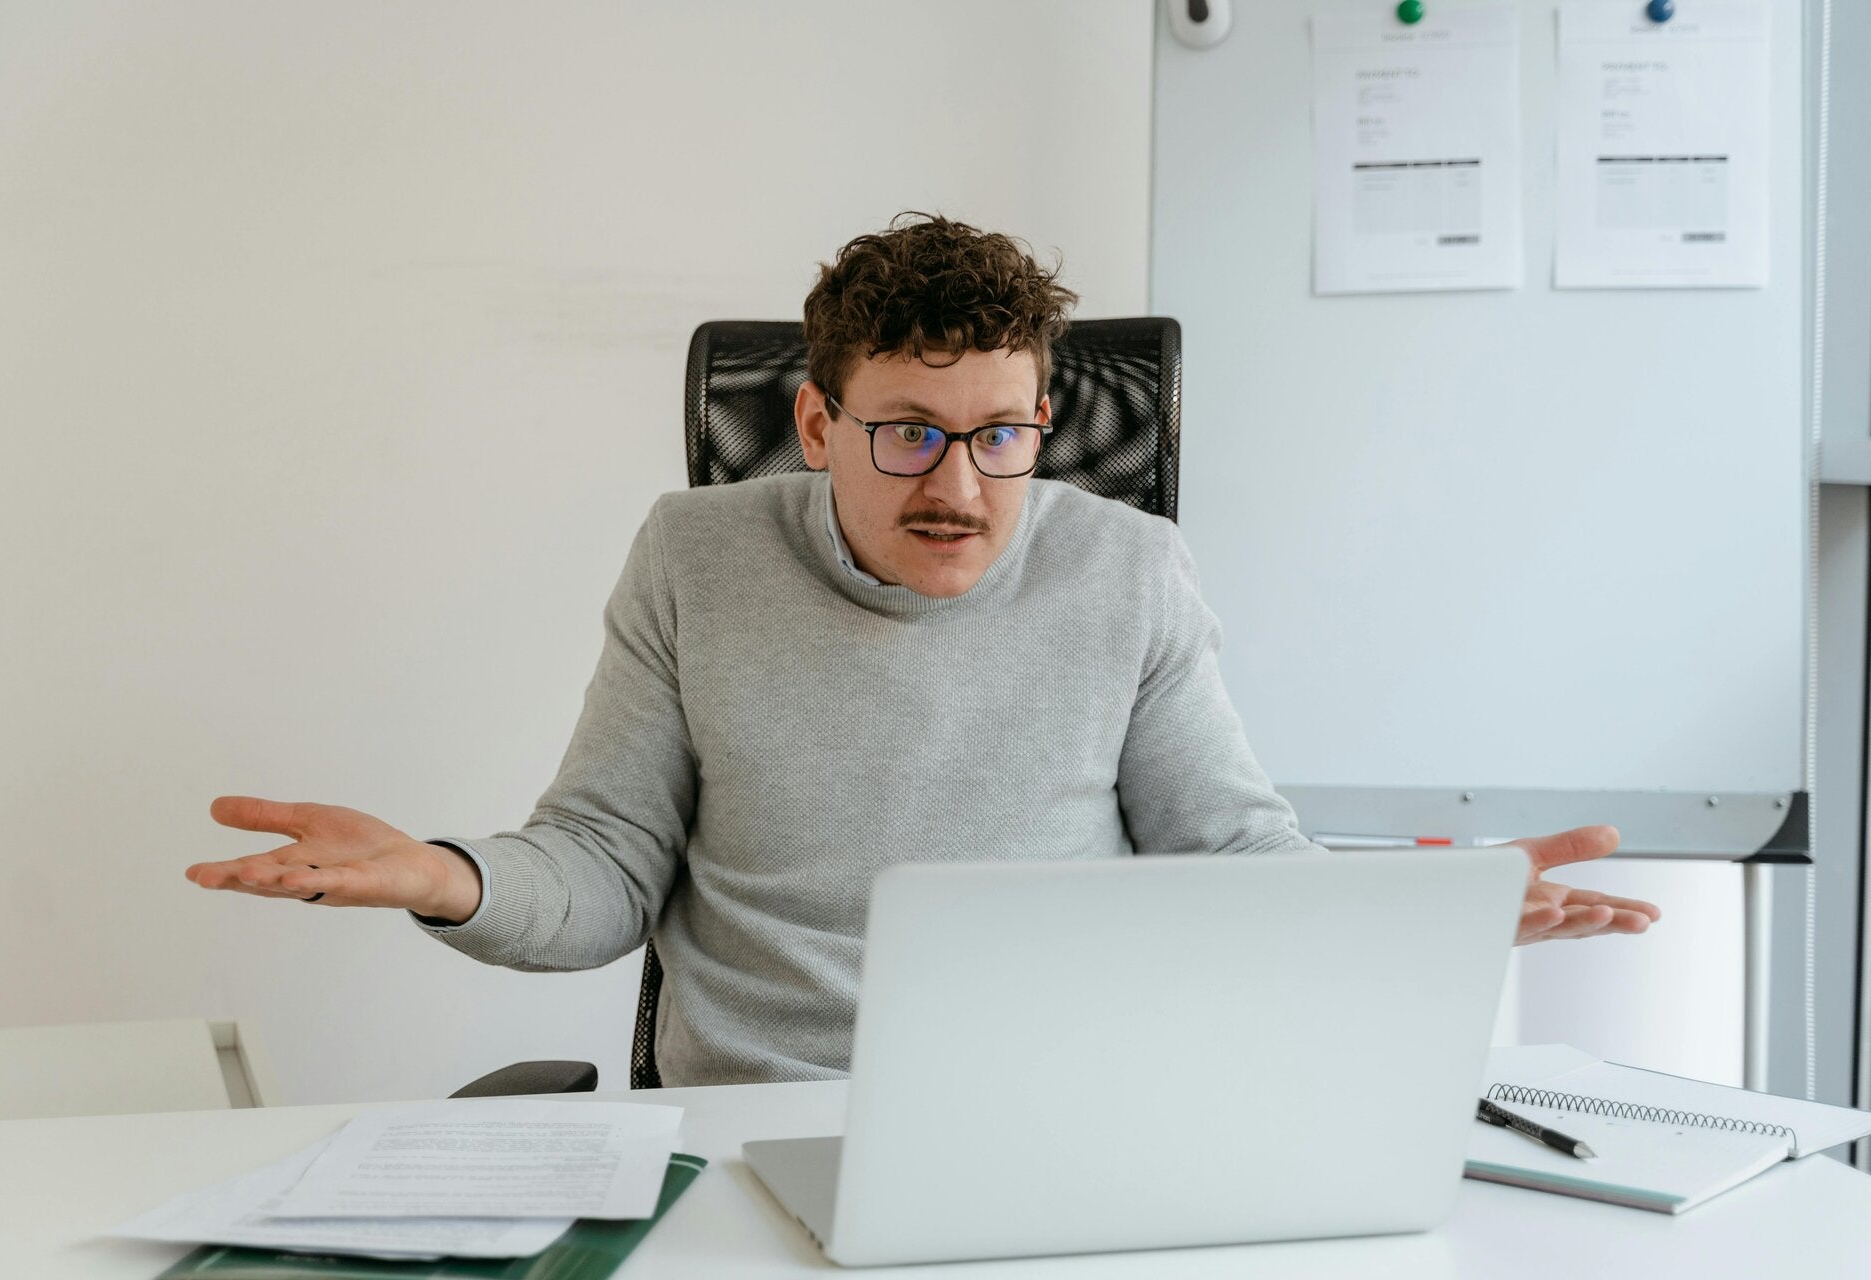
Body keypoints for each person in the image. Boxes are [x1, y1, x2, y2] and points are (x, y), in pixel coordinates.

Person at [186, 213, 1660, 1086]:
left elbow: (1229, 857)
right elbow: (606, 864)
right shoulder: (695, 556)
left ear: (1044, 422)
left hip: (1058, 1120)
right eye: (906, 433)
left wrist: (1413, 914)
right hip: (753, 1118)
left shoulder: (1128, 570)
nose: (958, 485)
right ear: (815, 422)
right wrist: (451, 877)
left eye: (1001, 434)